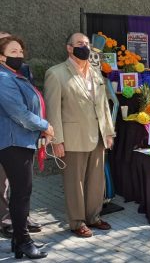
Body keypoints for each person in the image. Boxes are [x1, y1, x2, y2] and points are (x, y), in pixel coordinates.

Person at [44, 32, 115, 238]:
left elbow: (103, 105)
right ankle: (77, 222)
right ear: (69, 48)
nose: (84, 47)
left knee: (96, 180)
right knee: (75, 182)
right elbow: (53, 110)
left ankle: (93, 217)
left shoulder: (95, 72)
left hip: (98, 136)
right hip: (73, 137)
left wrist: (109, 132)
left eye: (86, 44)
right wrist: (57, 140)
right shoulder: (56, 73)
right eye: (79, 44)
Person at [0, 36, 52, 259]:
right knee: (21, 193)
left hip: (21, 140)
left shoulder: (16, 75)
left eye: (21, 50)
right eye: (13, 51)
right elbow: (19, 113)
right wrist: (45, 126)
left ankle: (17, 241)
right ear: (1, 56)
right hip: (13, 141)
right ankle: (23, 242)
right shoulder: (3, 78)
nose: (19, 55)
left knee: (21, 192)